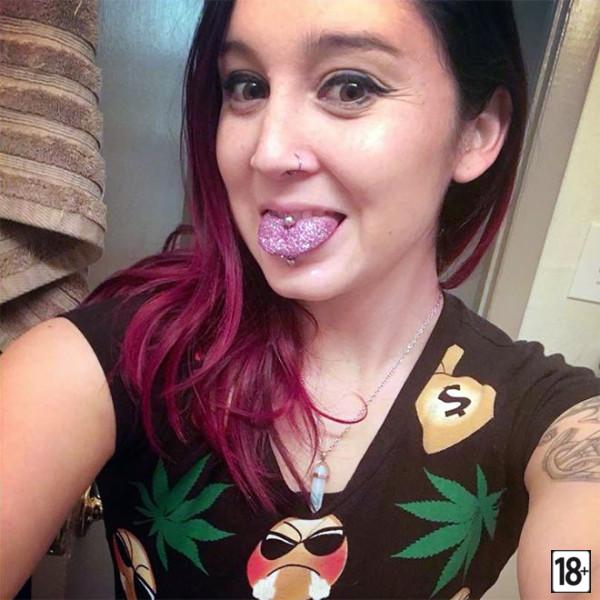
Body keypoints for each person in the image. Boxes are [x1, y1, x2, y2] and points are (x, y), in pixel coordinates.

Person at [2, 1, 599, 599]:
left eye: (351, 87)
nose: (266, 151)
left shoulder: (549, 416)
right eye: (247, 87)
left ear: (478, 132)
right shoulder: (111, 353)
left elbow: (576, 563)